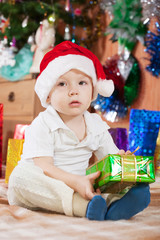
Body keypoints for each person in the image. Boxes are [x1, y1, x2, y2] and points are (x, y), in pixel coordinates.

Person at [7, 41, 150, 221]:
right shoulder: (43, 123)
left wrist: (122, 160)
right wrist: (74, 182)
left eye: (82, 82)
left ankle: (116, 205)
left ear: (92, 92)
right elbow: (44, 167)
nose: (73, 91)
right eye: (62, 84)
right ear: (48, 95)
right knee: (19, 177)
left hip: (82, 184)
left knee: (101, 176)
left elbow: (110, 158)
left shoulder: (95, 124)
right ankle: (82, 205)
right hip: (43, 187)